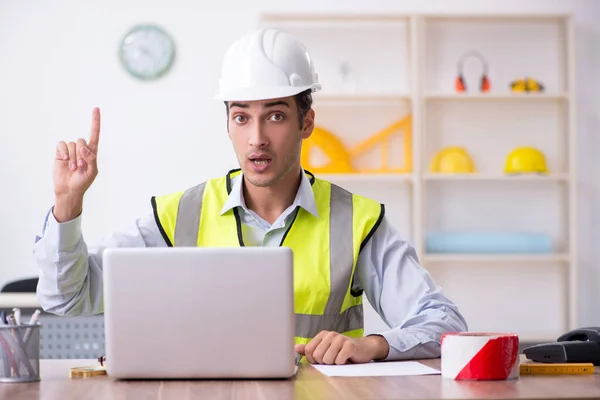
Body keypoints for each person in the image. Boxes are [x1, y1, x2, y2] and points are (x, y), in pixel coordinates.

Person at [34, 28, 467, 365]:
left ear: (306, 121)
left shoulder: (357, 221)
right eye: (241, 117)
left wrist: (373, 345)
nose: (256, 139)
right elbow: (67, 299)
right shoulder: (177, 215)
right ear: (228, 124)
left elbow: (445, 323)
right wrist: (68, 203)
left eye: (275, 115)